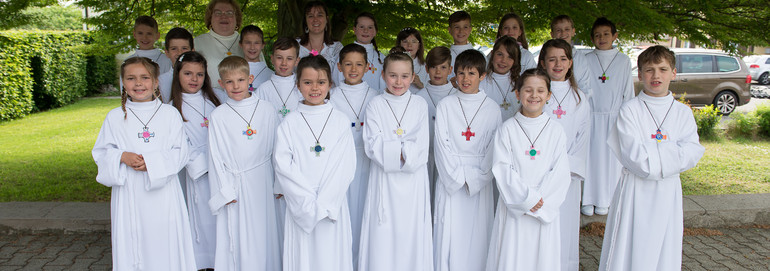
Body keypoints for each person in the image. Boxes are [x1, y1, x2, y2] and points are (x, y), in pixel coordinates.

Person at [599, 45, 705, 271]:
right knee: (631, 246)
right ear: (640, 75)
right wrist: (671, 151)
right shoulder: (629, 110)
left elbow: (693, 152)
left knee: (663, 248)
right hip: (635, 191)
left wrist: (652, 149)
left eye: (662, 69)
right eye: (649, 70)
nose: (656, 75)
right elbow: (636, 158)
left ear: (673, 73)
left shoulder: (682, 113)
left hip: (668, 192)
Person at [92, 56, 196, 270]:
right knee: (133, 241)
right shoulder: (114, 117)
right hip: (130, 191)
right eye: (130, 78)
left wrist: (152, 162)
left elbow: (181, 152)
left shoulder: (170, 114)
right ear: (123, 83)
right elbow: (102, 152)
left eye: (144, 78)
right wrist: (121, 156)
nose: (138, 83)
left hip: (164, 193)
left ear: (156, 82)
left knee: (165, 242)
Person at [274, 54, 357, 271]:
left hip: (332, 205)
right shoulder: (289, 123)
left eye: (321, 82)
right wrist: (307, 204)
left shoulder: (339, 120)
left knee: (332, 259)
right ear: (297, 84)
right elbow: (283, 167)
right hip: (301, 206)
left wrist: (324, 205)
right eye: (307, 82)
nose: (314, 88)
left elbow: (345, 166)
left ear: (330, 84)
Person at [486, 68, 571, 271]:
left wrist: (540, 201)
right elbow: (502, 168)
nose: (534, 95)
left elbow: (560, 171)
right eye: (528, 90)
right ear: (517, 93)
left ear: (549, 95)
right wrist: (527, 199)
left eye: (540, 90)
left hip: (544, 206)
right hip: (516, 206)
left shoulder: (556, 130)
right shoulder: (507, 129)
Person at [358, 48, 433, 271]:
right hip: (384, 181)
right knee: (384, 234)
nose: (398, 81)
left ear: (412, 77)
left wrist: (393, 147)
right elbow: (372, 145)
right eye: (392, 75)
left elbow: (421, 147)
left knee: (410, 234)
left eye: (404, 76)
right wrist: (402, 148)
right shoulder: (375, 105)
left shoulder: (420, 105)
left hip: (413, 184)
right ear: (383, 75)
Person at [207, 56, 281, 271]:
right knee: (239, 236)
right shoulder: (218, 115)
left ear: (250, 78)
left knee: (264, 232)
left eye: (240, 80)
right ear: (221, 84)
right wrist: (224, 190)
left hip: (264, 180)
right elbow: (215, 156)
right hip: (235, 184)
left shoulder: (267, 109)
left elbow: (278, 149)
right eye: (229, 82)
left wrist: (279, 182)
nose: (235, 86)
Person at [433, 49, 501, 271]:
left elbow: (494, 147)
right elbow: (441, 145)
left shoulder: (492, 108)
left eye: (471, 73)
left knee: (477, 233)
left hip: (479, 180)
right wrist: (455, 177)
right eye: (461, 73)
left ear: (482, 76)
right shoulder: (446, 105)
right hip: (449, 178)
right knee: (449, 234)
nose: (465, 79)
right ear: (454, 74)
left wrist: (476, 177)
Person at [539, 39, 592, 271]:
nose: (557, 64)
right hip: (538, 173)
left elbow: (582, 138)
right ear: (542, 63)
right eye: (552, 59)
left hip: (566, 177)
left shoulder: (580, 98)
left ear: (570, 63)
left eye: (562, 59)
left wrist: (562, 170)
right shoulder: (536, 92)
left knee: (564, 227)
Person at [167, 51, 222, 270]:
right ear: (177, 74)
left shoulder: (215, 100)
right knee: (200, 220)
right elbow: (178, 144)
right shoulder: (172, 107)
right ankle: (203, 262)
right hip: (196, 173)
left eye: (199, 74)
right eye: (188, 73)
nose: (194, 79)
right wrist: (202, 164)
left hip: (219, 169)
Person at [328, 43, 377, 268]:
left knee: (364, 215)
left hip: (367, 163)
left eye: (359, 64)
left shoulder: (376, 97)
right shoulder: (330, 96)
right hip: (339, 164)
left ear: (368, 67)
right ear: (339, 66)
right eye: (348, 64)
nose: (353, 69)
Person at [582, 17, 635, 216]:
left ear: (615, 36)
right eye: (597, 35)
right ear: (592, 38)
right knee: (590, 158)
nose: (601, 38)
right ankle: (588, 199)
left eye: (606, 34)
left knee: (610, 159)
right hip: (591, 116)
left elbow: (627, 92)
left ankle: (606, 199)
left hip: (613, 117)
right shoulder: (586, 58)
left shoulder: (622, 60)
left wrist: (627, 118)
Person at [416, 46, 457, 208]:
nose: (438, 72)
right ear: (426, 69)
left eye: (443, 67)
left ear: (450, 70)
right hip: (425, 158)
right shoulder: (418, 98)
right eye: (433, 67)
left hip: (449, 160)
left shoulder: (456, 96)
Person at [195, 0, 245, 84]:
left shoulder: (248, 42)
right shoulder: (197, 43)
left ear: (237, 18)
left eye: (229, 13)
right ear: (210, 18)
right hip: (208, 96)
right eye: (218, 13)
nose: (224, 16)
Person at [256, 37, 302, 121]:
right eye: (279, 58)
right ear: (272, 59)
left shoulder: (301, 87)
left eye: (289, 58)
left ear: (296, 61)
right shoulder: (263, 89)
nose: (284, 63)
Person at [550, 15, 593, 97]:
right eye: (558, 30)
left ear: (573, 31)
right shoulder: (547, 55)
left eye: (567, 29)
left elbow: (585, 85)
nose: (563, 33)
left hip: (575, 102)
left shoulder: (580, 57)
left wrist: (579, 104)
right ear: (552, 34)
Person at [481, 36, 522, 121]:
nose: (503, 60)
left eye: (510, 57)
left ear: (515, 61)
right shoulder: (481, 82)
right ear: (492, 54)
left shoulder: (521, 83)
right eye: (500, 54)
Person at [297, 1, 343, 65]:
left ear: (326, 19)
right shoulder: (295, 46)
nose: (315, 19)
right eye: (311, 16)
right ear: (305, 20)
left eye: (320, 15)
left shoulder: (336, 48)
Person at [350, 12, 386, 90]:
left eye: (370, 27)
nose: (365, 30)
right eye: (361, 27)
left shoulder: (381, 57)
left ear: (375, 31)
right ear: (354, 30)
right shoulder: (345, 54)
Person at [159, 27, 194, 103]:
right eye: (174, 49)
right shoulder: (160, 81)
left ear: (192, 51)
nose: (179, 53)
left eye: (184, 48)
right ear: (167, 53)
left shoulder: (198, 79)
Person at [239, 25, 274, 91]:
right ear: (241, 44)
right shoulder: (233, 72)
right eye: (248, 42)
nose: (252, 47)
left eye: (256, 43)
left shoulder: (271, 75)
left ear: (263, 45)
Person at [396, 27, 428, 92]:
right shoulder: (391, 64)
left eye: (414, 41)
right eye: (405, 41)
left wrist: (421, 84)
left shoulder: (425, 66)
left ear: (419, 45)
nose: (409, 45)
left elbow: (433, 89)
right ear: (399, 44)